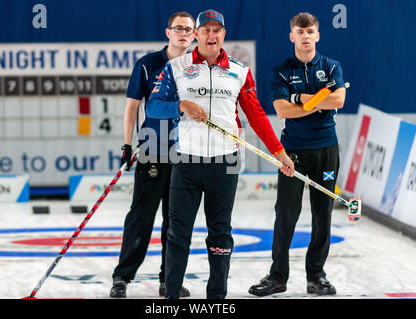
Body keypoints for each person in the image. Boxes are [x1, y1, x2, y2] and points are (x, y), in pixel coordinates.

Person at [147, 9, 295, 299]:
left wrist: (279, 151)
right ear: (196, 34)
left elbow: (256, 114)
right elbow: (152, 107)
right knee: (178, 234)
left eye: (217, 30)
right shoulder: (176, 67)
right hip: (186, 161)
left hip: (224, 162)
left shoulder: (240, 70)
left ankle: (217, 297)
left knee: (220, 234)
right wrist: (182, 106)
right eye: (206, 30)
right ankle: (172, 297)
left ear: (223, 34)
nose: (211, 35)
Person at [248, 12, 347, 297]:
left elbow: (339, 99)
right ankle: (278, 276)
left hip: (326, 148)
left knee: (322, 214)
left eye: (310, 32)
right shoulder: (281, 70)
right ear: (292, 36)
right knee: (286, 213)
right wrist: (318, 101)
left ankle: (316, 276)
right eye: (300, 32)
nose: (306, 36)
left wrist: (302, 100)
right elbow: (281, 110)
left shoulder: (331, 66)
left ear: (318, 35)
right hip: (293, 150)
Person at [109, 11, 196, 298]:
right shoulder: (148, 65)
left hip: (186, 152)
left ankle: (167, 280)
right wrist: (127, 143)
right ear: (168, 31)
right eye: (179, 28)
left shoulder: (197, 66)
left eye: (189, 29)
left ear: (194, 35)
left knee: (176, 220)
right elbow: (132, 105)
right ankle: (122, 277)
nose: (184, 33)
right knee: (141, 216)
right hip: (153, 150)